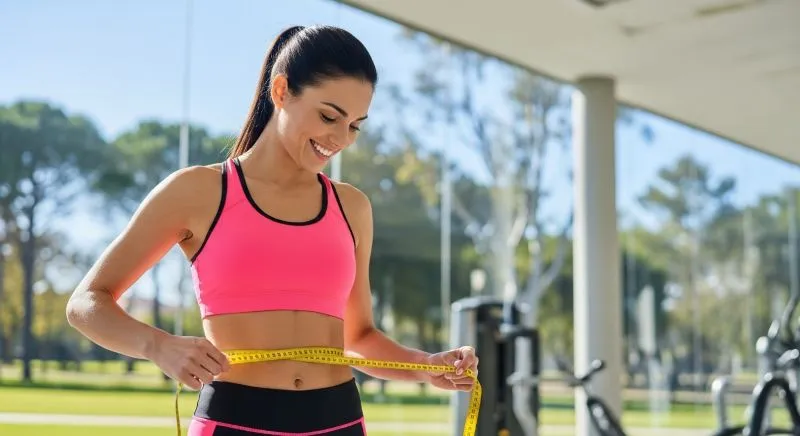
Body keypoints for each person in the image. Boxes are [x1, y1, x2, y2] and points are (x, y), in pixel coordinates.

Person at [66, 25, 479, 436]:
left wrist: (425, 366)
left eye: (354, 125)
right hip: (233, 421)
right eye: (329, 116)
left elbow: (358, 336)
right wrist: (158, 346)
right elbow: (86, 303)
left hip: (338, 421)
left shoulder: (352, 207)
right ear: (281, 91)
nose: (341, 139)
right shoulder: (197, 191)